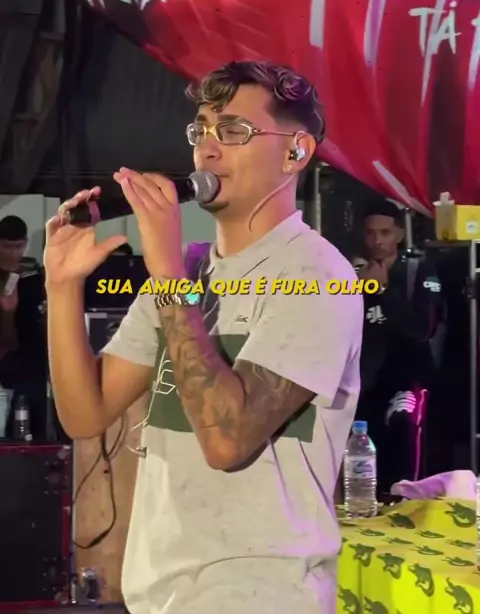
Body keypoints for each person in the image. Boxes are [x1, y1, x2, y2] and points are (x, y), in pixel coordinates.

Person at [44, 60, 364, 614]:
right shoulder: (187, 268)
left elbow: (226, 441)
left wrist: (167, 275)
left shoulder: (317, 275)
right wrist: (63, 285)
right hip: (161, 590)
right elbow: (84, 414)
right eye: (201, 131)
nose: (208, 150)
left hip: (260, 593)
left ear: (295, 152)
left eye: (233, 131)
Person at [355, 199, 443, 492]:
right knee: (364, 456)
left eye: (385, 233)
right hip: (366, 383)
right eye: (371, 233)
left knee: (404, 439)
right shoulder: (352, 272)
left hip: (407, 380)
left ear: (399, 234)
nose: (377, 241)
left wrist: (383, 289)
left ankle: (407, 500)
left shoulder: (418, 271)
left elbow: (422, 329)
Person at [0, 215, 47, 439]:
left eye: (17, 247)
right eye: (6, 247)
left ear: (26, 244)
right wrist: (8, 313)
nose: (12, 253)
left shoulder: (33, 278)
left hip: (30, 368)